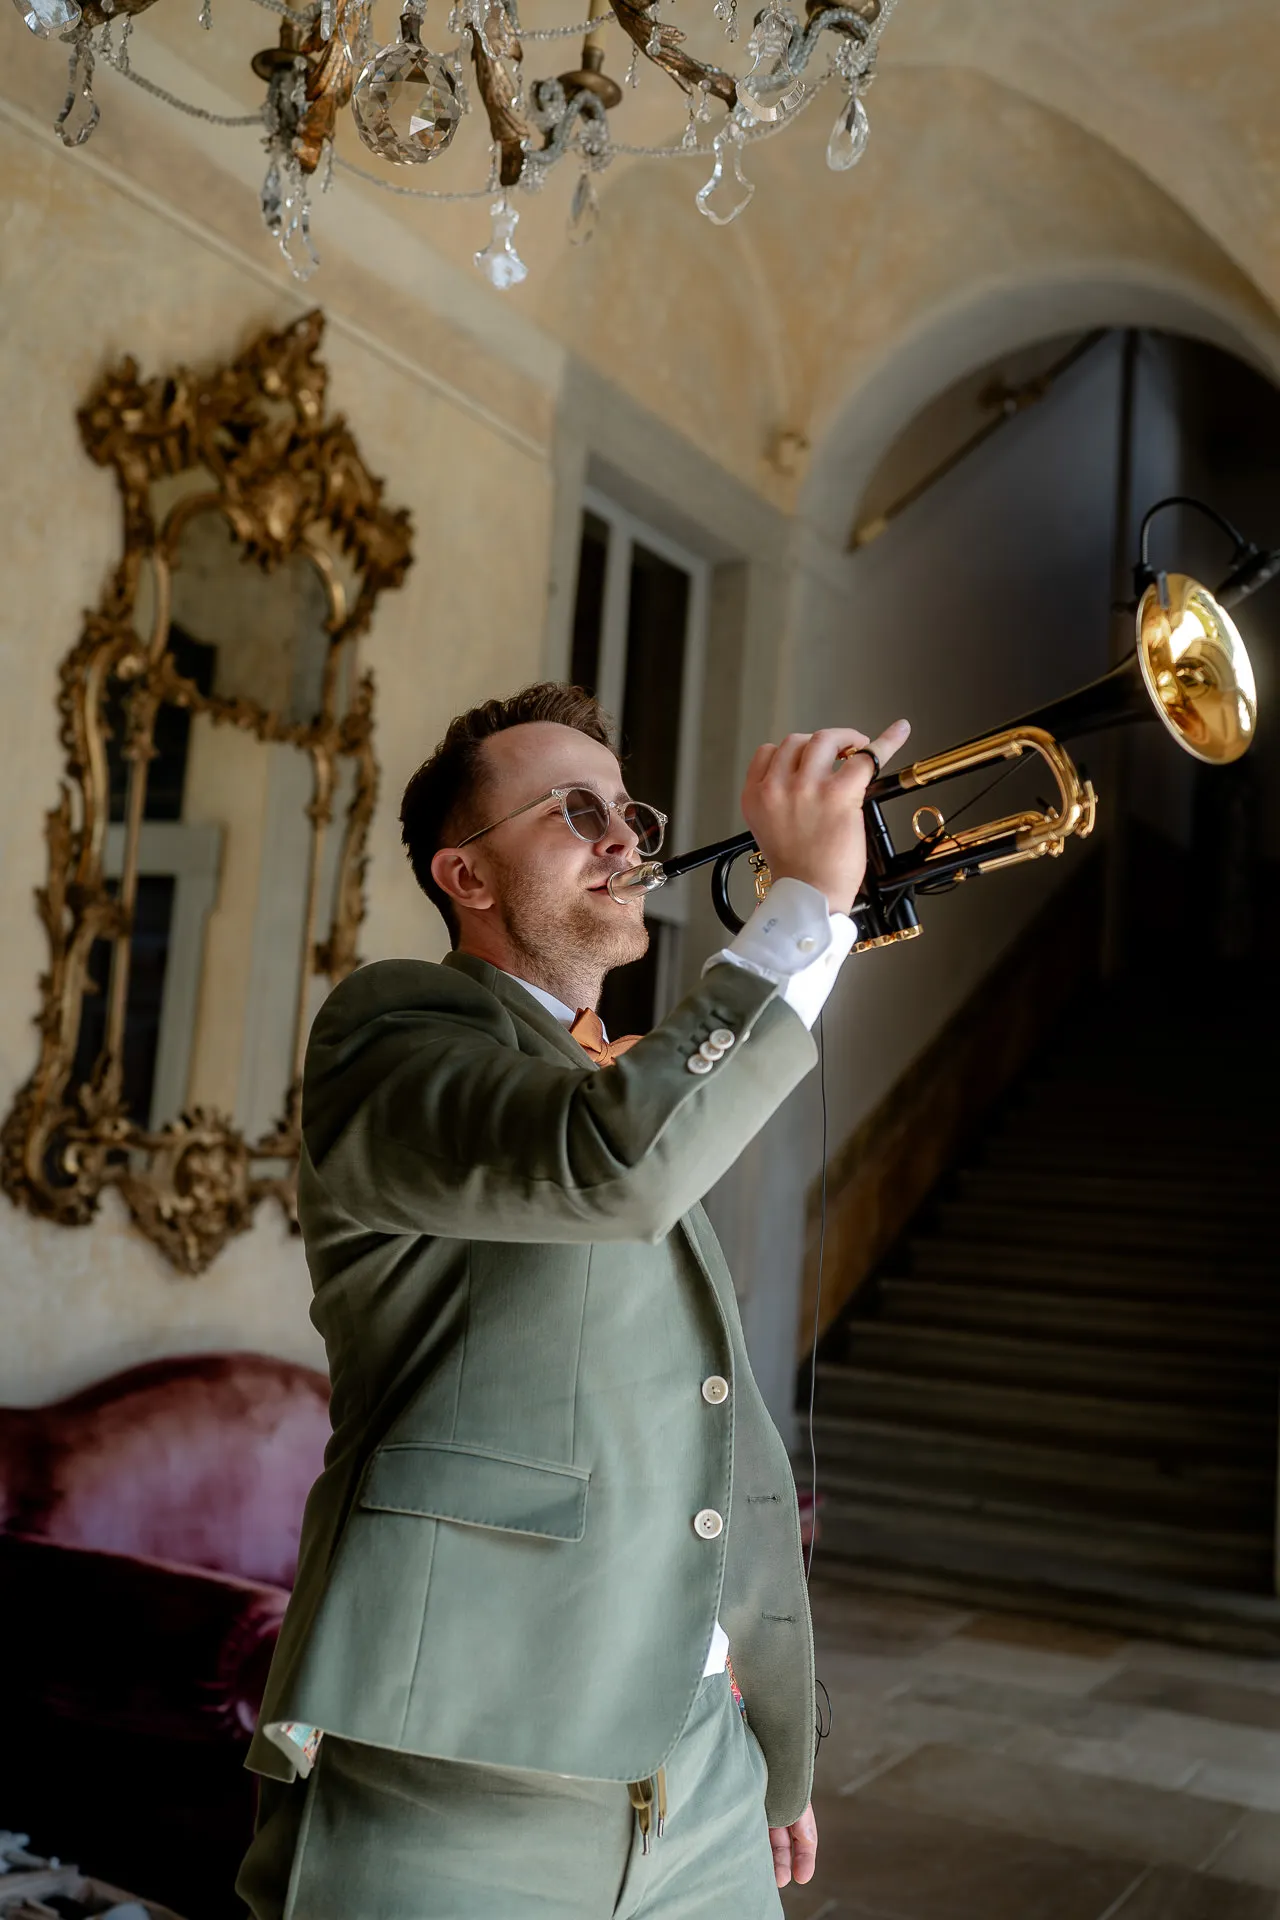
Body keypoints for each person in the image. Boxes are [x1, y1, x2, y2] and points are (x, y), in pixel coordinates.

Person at [237, 681, 910, 1920]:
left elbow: (692, 1415)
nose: (624, 840)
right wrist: (804, 904)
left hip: (701, 1774)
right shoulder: (389, 1039)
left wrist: (762, 1727)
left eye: (627, 813)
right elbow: (614, 1163)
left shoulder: (614, 1073)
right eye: (573, 811)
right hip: (460, 1774)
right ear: (467, 877)